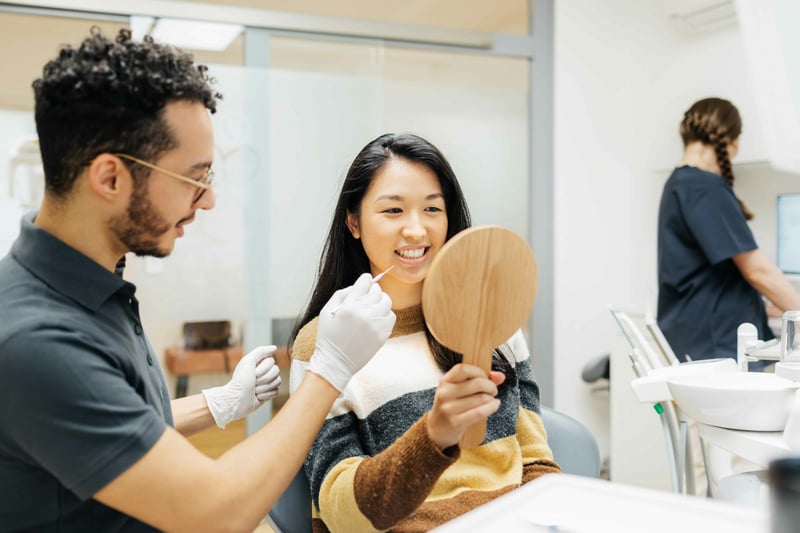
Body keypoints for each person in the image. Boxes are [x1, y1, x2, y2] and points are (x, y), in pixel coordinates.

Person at [0, 28, 395, 531]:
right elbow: (215, 513)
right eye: (194, 178)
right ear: (109, 178)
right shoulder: (37, 340)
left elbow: (119, 426)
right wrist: (330, 371)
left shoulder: (90, 285)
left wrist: (219, 402)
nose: (207, 200)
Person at [289, 133, 560, 533]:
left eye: (432, 208)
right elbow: (341, 513)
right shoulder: (327, 345)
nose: (416, 230)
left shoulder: (493, 321)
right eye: (394, 210)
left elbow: (536, 464)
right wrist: (433, 434)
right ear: (354, 221)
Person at [657, 97, 800, 364]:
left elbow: (709, 277)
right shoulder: (703, 186)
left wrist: (766, 307)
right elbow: (757, 271)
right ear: (732, 142)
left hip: (693, 340)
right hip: (717, 346)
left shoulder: (678, 183)